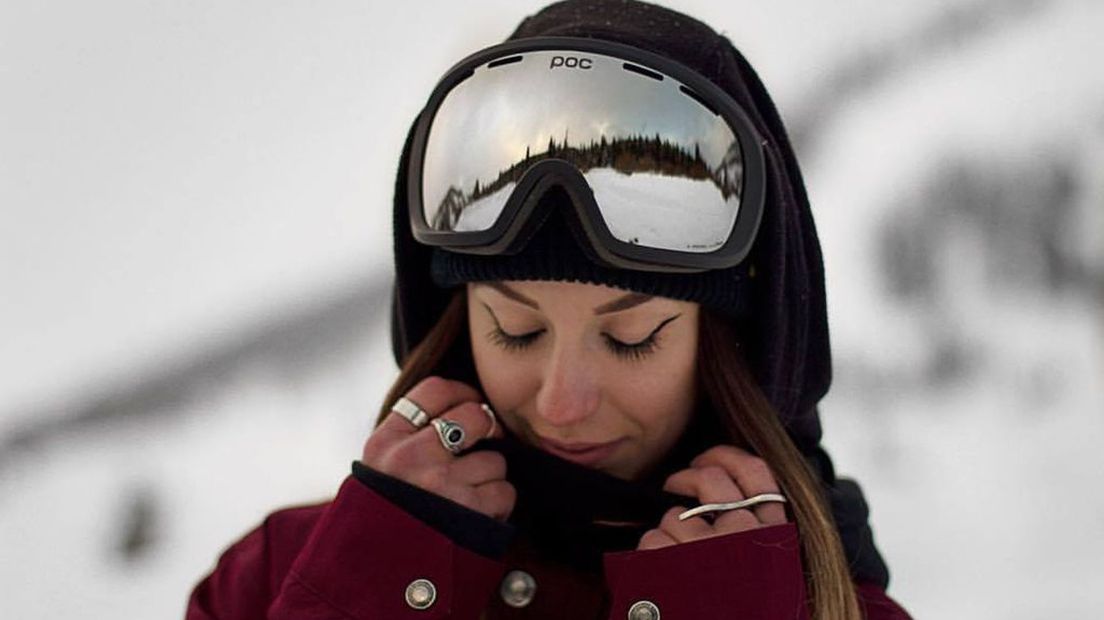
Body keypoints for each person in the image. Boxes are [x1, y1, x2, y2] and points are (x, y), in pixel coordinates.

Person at [187, 1, 912, 618]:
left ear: (738, 342)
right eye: (516, 328)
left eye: (631, 337)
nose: (562, 404)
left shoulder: (829, 606)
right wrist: (368, 586)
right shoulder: (279, 575)